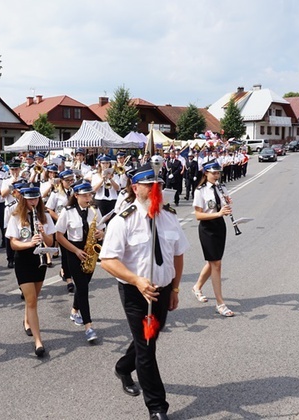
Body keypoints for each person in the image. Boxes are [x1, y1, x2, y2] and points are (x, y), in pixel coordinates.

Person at [100, 162, 189, 420]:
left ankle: (122, 366)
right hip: (136, 293)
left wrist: (174, 288)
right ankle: (157, 408)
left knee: (149, 338)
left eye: (157, 186)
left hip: (162, 290)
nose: (154, 190)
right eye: (148, 186)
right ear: (135, 187)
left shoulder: (169, 215)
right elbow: (108, 260)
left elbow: (178, 253)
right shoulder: (124, 220)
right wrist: (137, 280)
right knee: (147, 349)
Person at [6, 184, 57, 357]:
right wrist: (29, 243)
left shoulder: (45, 217)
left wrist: (43, 234)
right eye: (30, 199)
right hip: (23, 261)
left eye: (36, 199)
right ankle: (38, 341)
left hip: (39, 260)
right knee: (32, 301)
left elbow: (51, 243)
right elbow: (13, 243)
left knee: (33, 298)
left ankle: (27, 320)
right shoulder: (16, 217)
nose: (33, 202)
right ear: (24, 200)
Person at [55, 181, 104, 342]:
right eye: (85, 195)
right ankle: (89, 327)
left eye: (90, 195)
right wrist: (75, 250)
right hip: (73, 252)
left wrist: (100, 234)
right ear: (76, 196)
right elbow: (59, 236)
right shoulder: (67, 212)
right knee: (82, 287)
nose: (88, 198)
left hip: (90, 251)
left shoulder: (94, 210)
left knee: (84, 285)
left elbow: (102, 229)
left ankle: (74, 310)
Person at [191, 161, 234, 317]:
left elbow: (224, 206)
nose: (217, 175)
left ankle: (197, 286)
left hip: (220, 226)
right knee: (216, 264)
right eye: (214, 173)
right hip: (207, 228)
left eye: (218, 173)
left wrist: (228, 207)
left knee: (213, 262)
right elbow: (198, 215)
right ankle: (220, 303)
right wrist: (218, 213)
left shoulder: (221, 188)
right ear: (206, 173)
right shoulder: (200, 191)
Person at [47, 169, 76, 293]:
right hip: (61, 226)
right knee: (65, 253)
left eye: (72, 180)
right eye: (67, 180)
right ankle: (69, 279)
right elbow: (49, 209)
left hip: (73, 225)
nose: (70, 182)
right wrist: (60, 219)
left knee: (73, 251)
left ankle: (67, 271)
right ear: (61, 181)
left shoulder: (75, 192)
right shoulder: (55, 193)